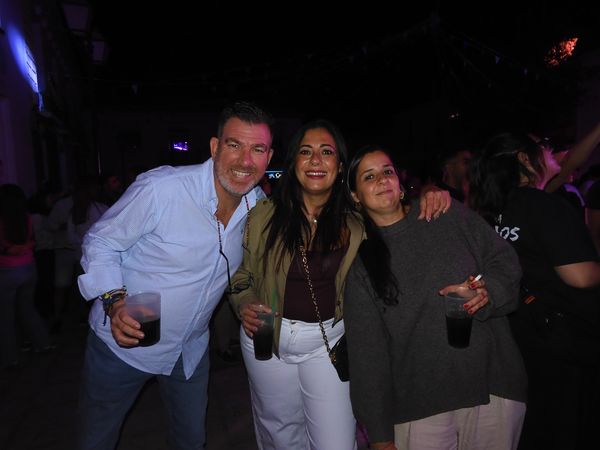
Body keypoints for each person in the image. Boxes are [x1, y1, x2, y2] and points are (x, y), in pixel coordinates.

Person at [229, 121, 451, 449]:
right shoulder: (264, 215)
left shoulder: (358, 219)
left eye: (327, 152)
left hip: (327, 343)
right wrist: (245, 302)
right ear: (293, 163)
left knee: (336, 442)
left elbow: (399, 213)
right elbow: (240, 276)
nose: (316, 160)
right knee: (280, 433)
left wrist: (431, 193)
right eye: (306, 151)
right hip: (265, 337)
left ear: (341, 166)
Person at [76, 101, 274, 450]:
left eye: (257, 149)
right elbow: (101, 240)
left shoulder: (256, 206)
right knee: (96, 440)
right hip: (125, 344)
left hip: (189, 350)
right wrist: (114, 302)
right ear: (215, 147)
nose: (245, 161)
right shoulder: (163, 189)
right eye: (234, 145)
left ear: (268, 158)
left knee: (191, 441)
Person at [344, 146, 527, 450]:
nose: (382, 180)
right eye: (369, 176)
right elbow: (368, 359)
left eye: (387, 171)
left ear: (400, 182)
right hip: (419, 407)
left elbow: (505, 261)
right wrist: (379, 436)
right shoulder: (362, 267)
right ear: (355, 196)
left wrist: (487, 292)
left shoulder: (445, 213)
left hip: (491, 387)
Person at [469, 132, 600, 450]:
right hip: (565, 340)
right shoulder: (544, 206)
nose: (551, 150)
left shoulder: (489, 211)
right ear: (524, 159)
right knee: (568, 427)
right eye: (542, 146)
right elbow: (581, 276)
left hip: (522, 335)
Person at [0, 184, 53, 369]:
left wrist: (12, 250)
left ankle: (10, 358)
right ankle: (43, 343)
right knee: (28, 309)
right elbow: (31, 242)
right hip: (28, 268)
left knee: (5, 317)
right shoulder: (27, 218)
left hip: (6, 271)